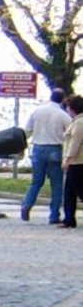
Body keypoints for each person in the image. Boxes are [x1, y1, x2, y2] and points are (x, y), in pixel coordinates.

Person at [22, 87, 71, 223]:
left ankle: (27, 204)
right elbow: (70, 132)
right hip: (55, 148)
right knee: (57, 184)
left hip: (38, 147)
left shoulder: (37, 111)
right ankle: (54, 215)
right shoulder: (63, 115)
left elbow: (27, 131)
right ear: (62, 99)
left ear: (51, 97)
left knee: (36, 182)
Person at [62, 94, 83, 230]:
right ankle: (69, 219)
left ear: (73, 109)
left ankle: (69, 219)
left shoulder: (79, 123)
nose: (67, 110)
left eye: (68, 107)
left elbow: (75, 143)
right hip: (75, 161)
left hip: (78, 162)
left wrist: (67, 160)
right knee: (69, 191)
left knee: (79, 189)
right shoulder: (75, 121)